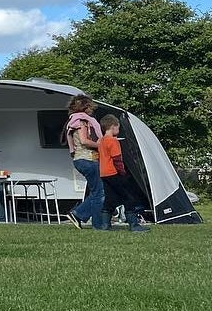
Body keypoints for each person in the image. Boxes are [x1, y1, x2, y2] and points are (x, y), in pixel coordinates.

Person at [97, 115, 149, 232]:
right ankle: (134, 224)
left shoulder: (101, 141)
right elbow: (117, 159)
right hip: (114, 173)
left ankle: (105, 225)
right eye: (118, 128)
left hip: (104, 174)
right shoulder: (113, 141)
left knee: (110, 198)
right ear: (113, 127)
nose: (118, 130)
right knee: (129, 197)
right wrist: (122, 172)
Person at [63, 94, 104, 230]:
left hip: (79, 159)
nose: (92, 110)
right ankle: (94, 223)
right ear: (86, 107)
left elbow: (74, 145)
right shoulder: (82, 121)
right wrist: (101, 145)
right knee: (99, 193)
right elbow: (84, 140)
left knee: (95, 192)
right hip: (88, 158)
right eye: (91, 107)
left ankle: (79, 214)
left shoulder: (72, 121)